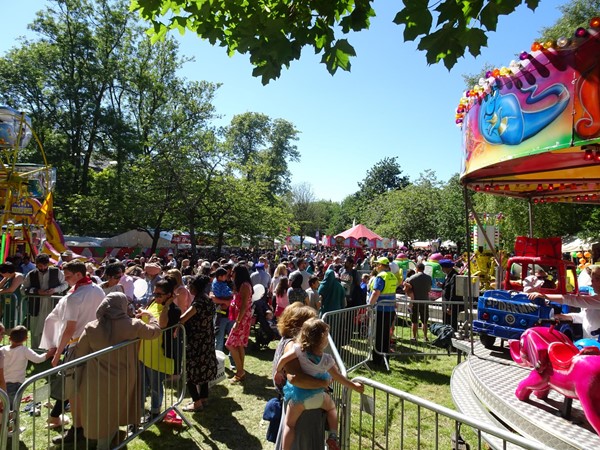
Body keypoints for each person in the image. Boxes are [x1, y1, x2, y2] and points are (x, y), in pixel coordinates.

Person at [74, 293, 161, 449]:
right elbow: (155, 332)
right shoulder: (134, 325)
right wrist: (151, 317)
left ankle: (106, 441)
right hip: (125, 376)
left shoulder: (91, 327)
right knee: (117, 406)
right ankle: (107, 442)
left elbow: (80, 353)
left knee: (101, 410)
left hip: (96, 378)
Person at [41, 260, 105, 442]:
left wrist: (57, 353)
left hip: (78, 346)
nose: (65, 280)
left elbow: (69, 329)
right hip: (95, 345)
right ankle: (85, 427)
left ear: (79, 275)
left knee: (73, 391)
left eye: (68, 276)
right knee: (86, 389)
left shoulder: (74, 297)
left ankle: (77, 429)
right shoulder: (97, 290)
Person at [276, 318, 364, 450]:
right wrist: (354, 386)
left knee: (289, 425)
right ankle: (333, 436)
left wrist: (278, 371)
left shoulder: (298, 350)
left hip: (298, 397)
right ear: (323, 340)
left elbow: (283, 359)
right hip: (318, 397)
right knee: (332, 409)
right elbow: (339, 377)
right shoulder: (327, 360)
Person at [272, 304, 330, 450]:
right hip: (302, 407)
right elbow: (296, 378)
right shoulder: (292, 346)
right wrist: (323, 383)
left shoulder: (288, 341)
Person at [138, 276, 181, 421]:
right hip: (144, 352)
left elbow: (162, 325)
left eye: (159, 294)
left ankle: (155, 412)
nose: (155, 296)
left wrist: (167, 305)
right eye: (154, 293)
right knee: (142, 386)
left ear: (169, 295)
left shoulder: (174, 310)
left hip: (158, 355)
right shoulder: (152, 302)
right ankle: (138, 412)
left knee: (156, 387)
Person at [528, 265, 600, 339]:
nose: (591, 284)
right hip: (591, 341)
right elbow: (585, 317)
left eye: (592, 280)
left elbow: (574, 300)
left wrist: (545, 296)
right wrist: (564, 316)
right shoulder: (595, 299)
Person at [180, 275, 218, 412]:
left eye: (190, 285)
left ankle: (196, 402)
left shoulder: (198, 303)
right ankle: (204, 397)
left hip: (196, 342)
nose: (188, 288)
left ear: (195, 287)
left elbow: (183, 319)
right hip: (206, 339)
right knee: (204, 369)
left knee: (190, 371)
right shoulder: (209, 300)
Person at [1, 325, 55, 408]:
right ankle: (11, 419)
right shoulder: (24, 350)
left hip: (3, 383)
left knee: (4, 404)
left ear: (9, 338)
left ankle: (4, 418)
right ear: (26, 338)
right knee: (13, 406)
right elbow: (38, 359)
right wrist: (49, 353)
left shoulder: (2, 350)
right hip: (16, 383)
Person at [225, 264, 253, 383]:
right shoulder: (241, 285)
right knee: (239, 344)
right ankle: (241, 371)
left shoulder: (245, 286)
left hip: (242, 319)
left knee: (229, 344)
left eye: (234, 272)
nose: (232, 274)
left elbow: (244, 306)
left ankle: (240, 371)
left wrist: (237, 322)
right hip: (241, 318)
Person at [369, 257, 398, 365]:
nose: (376, 266)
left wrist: (369, 306)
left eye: (377, 264)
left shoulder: (381, 277)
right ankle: (385, 358)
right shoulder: (392, 276)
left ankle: (377, 360)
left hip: (381, 309)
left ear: (381, 265)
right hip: (390, 309)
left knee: (379, 335)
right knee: (386, 335)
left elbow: (376, 293)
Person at [404, 263, 432, 342]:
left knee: (414, 321)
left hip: (415, 302)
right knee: (425, 321)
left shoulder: (411, 278)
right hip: (425, 301)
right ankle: (425, 337)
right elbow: (429, 289)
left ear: (417, 268)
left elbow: (407, 289)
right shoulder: (429, 278)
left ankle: (414, 337)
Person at [439, 259, 463, 332]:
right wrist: (442, 285)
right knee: (446, 322)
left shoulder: (454, 276)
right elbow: (448, 287)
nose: (442, 269)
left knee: (451, 323)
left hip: (451, 305)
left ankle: (451, 336)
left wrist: (450, 307)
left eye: (443, 267)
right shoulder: (449, 275)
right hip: (446, 303)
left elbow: (453, 292)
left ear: (448, 268)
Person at [0, 262, 24, 328]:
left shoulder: (19, 276)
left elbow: (11, 289)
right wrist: (5, 279)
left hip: (17, 304)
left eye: (2, 273)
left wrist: (0, 292)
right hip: (8, 303)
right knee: (6, 320)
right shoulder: (8, 277)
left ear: (7, 272)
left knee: (15, 320)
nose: (1, 274)